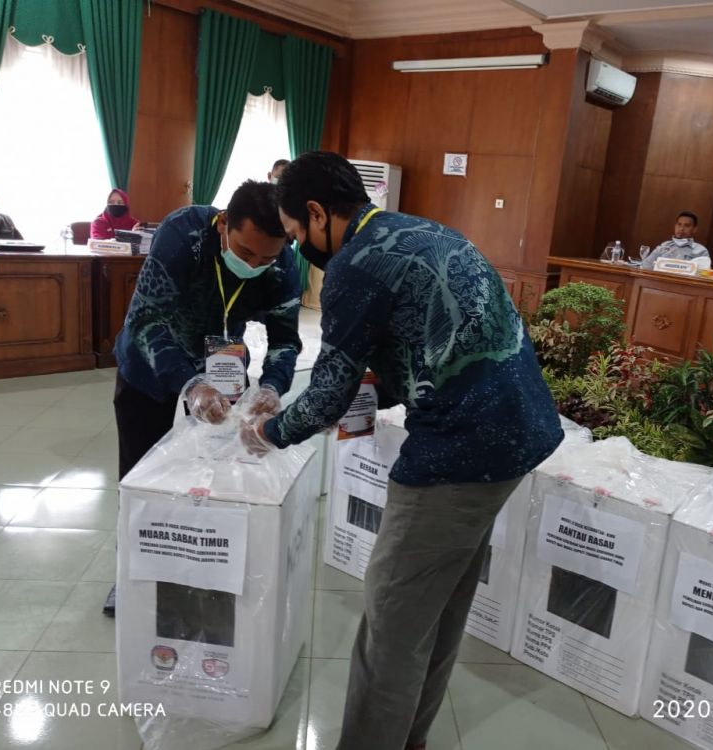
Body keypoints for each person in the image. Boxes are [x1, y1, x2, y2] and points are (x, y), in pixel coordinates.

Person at [240, 152, 562, 750]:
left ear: (316, 213)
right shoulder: (417, 230)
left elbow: (329, 393)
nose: (295, 251)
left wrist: (266, 433)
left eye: (292, 236)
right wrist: (378, 387)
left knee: (391, 623)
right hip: (522, 431)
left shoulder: (355, 265)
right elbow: (424, 341)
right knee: (435, 607)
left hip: (460, 452)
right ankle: (408, 738)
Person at [103, 179, 302, 616]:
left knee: (218, 473)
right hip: (151, 365)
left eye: (266, 257)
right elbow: (148, 320)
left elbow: (286, 340)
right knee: (140, 473)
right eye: (246, 252)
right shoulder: (183, 234)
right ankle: (131, 573)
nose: (255, 264)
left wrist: (272, 386)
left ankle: (206, 561)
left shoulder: (284, 265)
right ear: (223, 225)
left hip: (223, 367)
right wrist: (189, 385)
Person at [641, 210, 710, 270]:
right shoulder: (664, 246)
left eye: (687, 225)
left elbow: (703, 276)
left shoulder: (701, 251)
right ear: (675, 226)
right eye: (679, 224)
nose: (681, 228)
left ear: (695, 229)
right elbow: (646, 266)